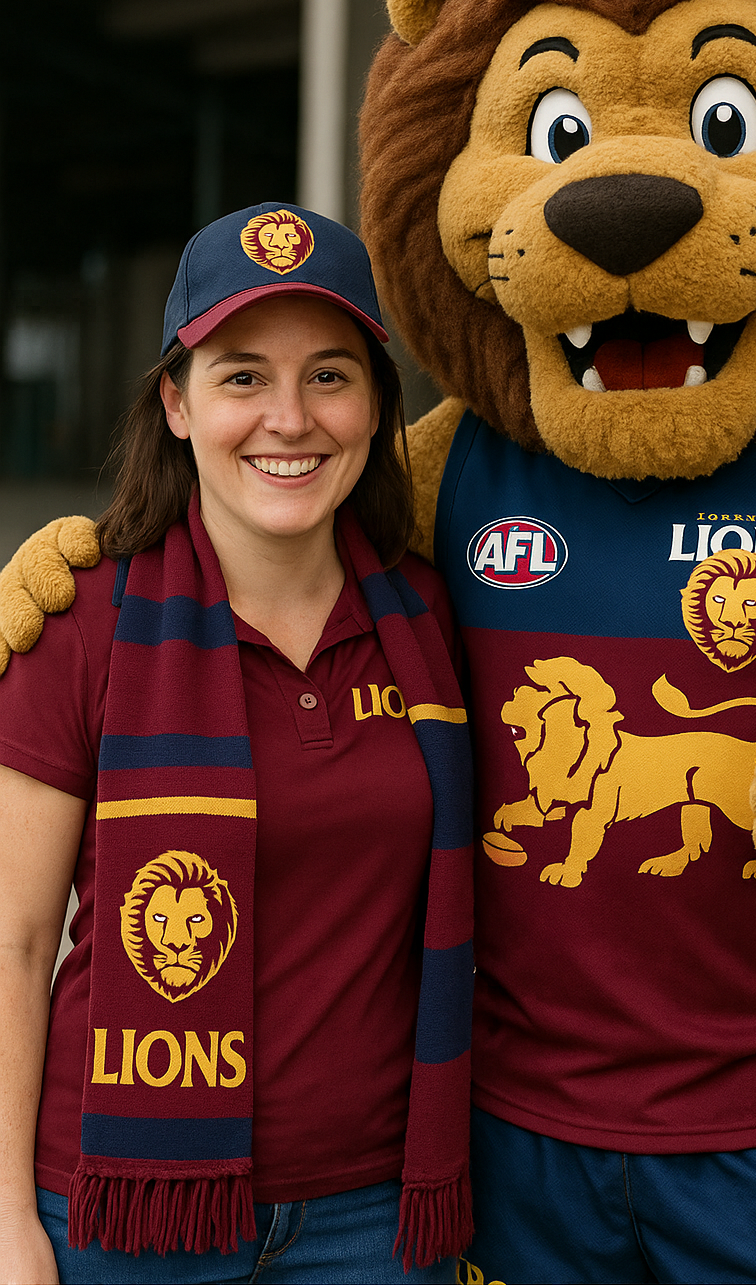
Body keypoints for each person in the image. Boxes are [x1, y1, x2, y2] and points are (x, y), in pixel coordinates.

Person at [0, 205, 474, 1285]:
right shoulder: (78, 623)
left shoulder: (434, 625)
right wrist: (2, 1220)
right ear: (177, 401)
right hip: (118, 1212)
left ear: (375, 405)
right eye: (243, 376)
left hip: (373, 1219)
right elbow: (13, 943)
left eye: (330, 376)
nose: (289, 419)